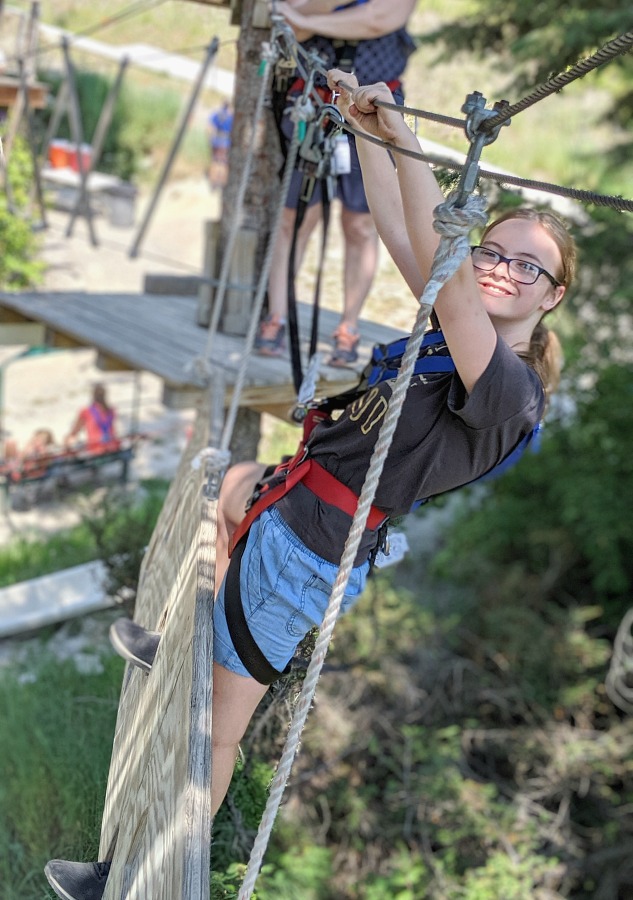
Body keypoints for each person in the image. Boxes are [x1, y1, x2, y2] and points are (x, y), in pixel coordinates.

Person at [44, 72, 576, 900]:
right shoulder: (447, 318)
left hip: (311, 554)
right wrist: (368, 135)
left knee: (213, 738)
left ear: (555, 294)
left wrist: (402, 133)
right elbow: (406, 232)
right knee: (222, 490)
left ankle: (128, 881)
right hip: (293, 502)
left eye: (527, 266)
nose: (503, 271)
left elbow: (446, 263)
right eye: (494, 252)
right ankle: (190, 637)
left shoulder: (509, 390)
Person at [255, 0, 417, 366]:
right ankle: (276, 315)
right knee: (294, 218)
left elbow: (381, 18)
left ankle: (348, 326)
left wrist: (311, 18)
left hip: (374, 104)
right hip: (311, 99)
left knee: (360, 224)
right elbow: (294, 23)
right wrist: (306, 17)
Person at [65, 383, 118, 453]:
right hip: (113, 447)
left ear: (93, 396)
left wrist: (67, 439)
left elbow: (75, 430)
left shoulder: (86, 411)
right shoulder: (111, 411)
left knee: (69, 440)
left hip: (96, 449)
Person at [207, 100, 234, 190]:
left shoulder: (217, 114)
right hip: (226, 141)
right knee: (224, 162)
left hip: (216, 140)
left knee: (215, 161)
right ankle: (222, 182)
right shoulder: (230, 116)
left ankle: (213, 181)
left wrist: (210, 138)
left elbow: (210, 126)